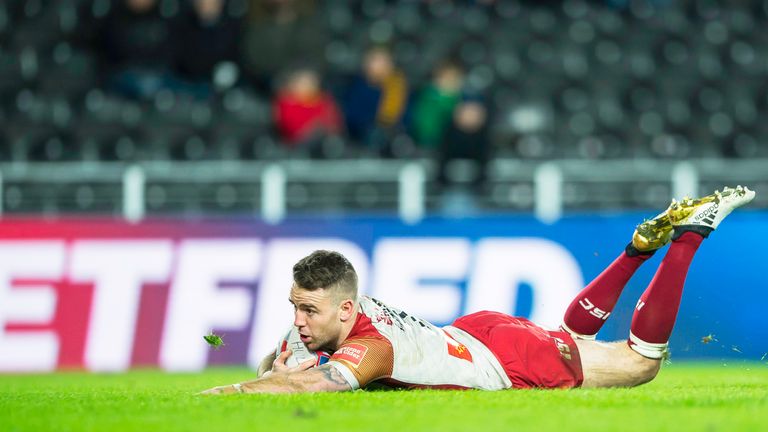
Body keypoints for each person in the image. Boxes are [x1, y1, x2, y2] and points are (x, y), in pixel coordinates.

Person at [201, 186, 755, 394]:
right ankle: (635, 249)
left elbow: (310, 387)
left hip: (503, 358)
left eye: (308, 311)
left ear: (346, 308)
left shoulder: (369, 349)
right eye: (295, 309)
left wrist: (226, 394)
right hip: (477, 333)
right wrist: (275, 361)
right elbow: (282, 361)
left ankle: (687, 239)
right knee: (566, 336)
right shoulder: (338, 313)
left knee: (639, 364)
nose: (299, 321)